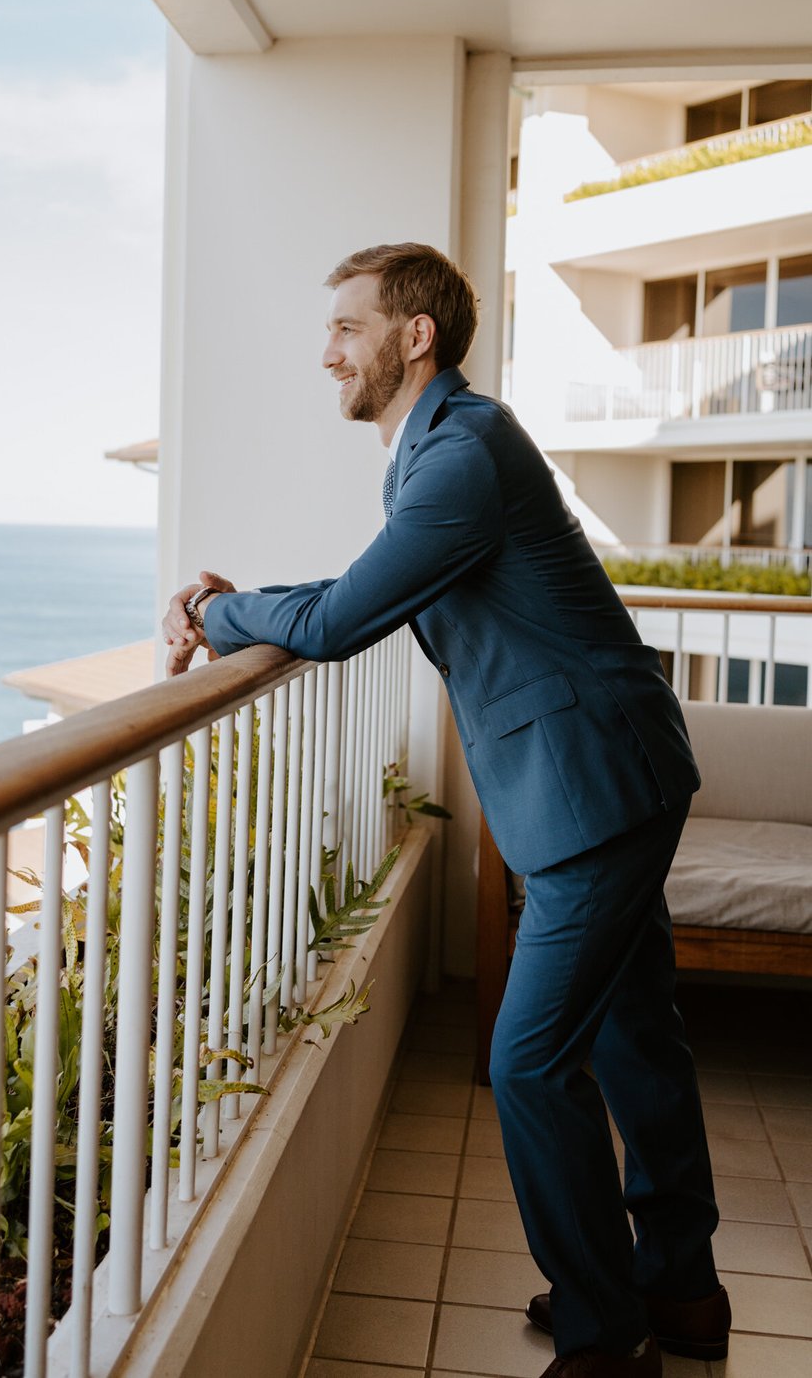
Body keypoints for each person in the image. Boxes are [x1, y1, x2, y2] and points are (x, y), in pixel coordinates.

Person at [161, 243, 730, 1378]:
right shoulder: (445, 445)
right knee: (632, 1037)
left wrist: (218, 612)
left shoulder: (463, 452)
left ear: (413, 335)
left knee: (528, 1065)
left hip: (594, 790)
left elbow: (337, 618)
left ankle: (607, 1335)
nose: (327, 351)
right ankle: (677, 1292)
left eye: (348, 328)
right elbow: (355, 589)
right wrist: (249, 606)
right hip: (609, 773)